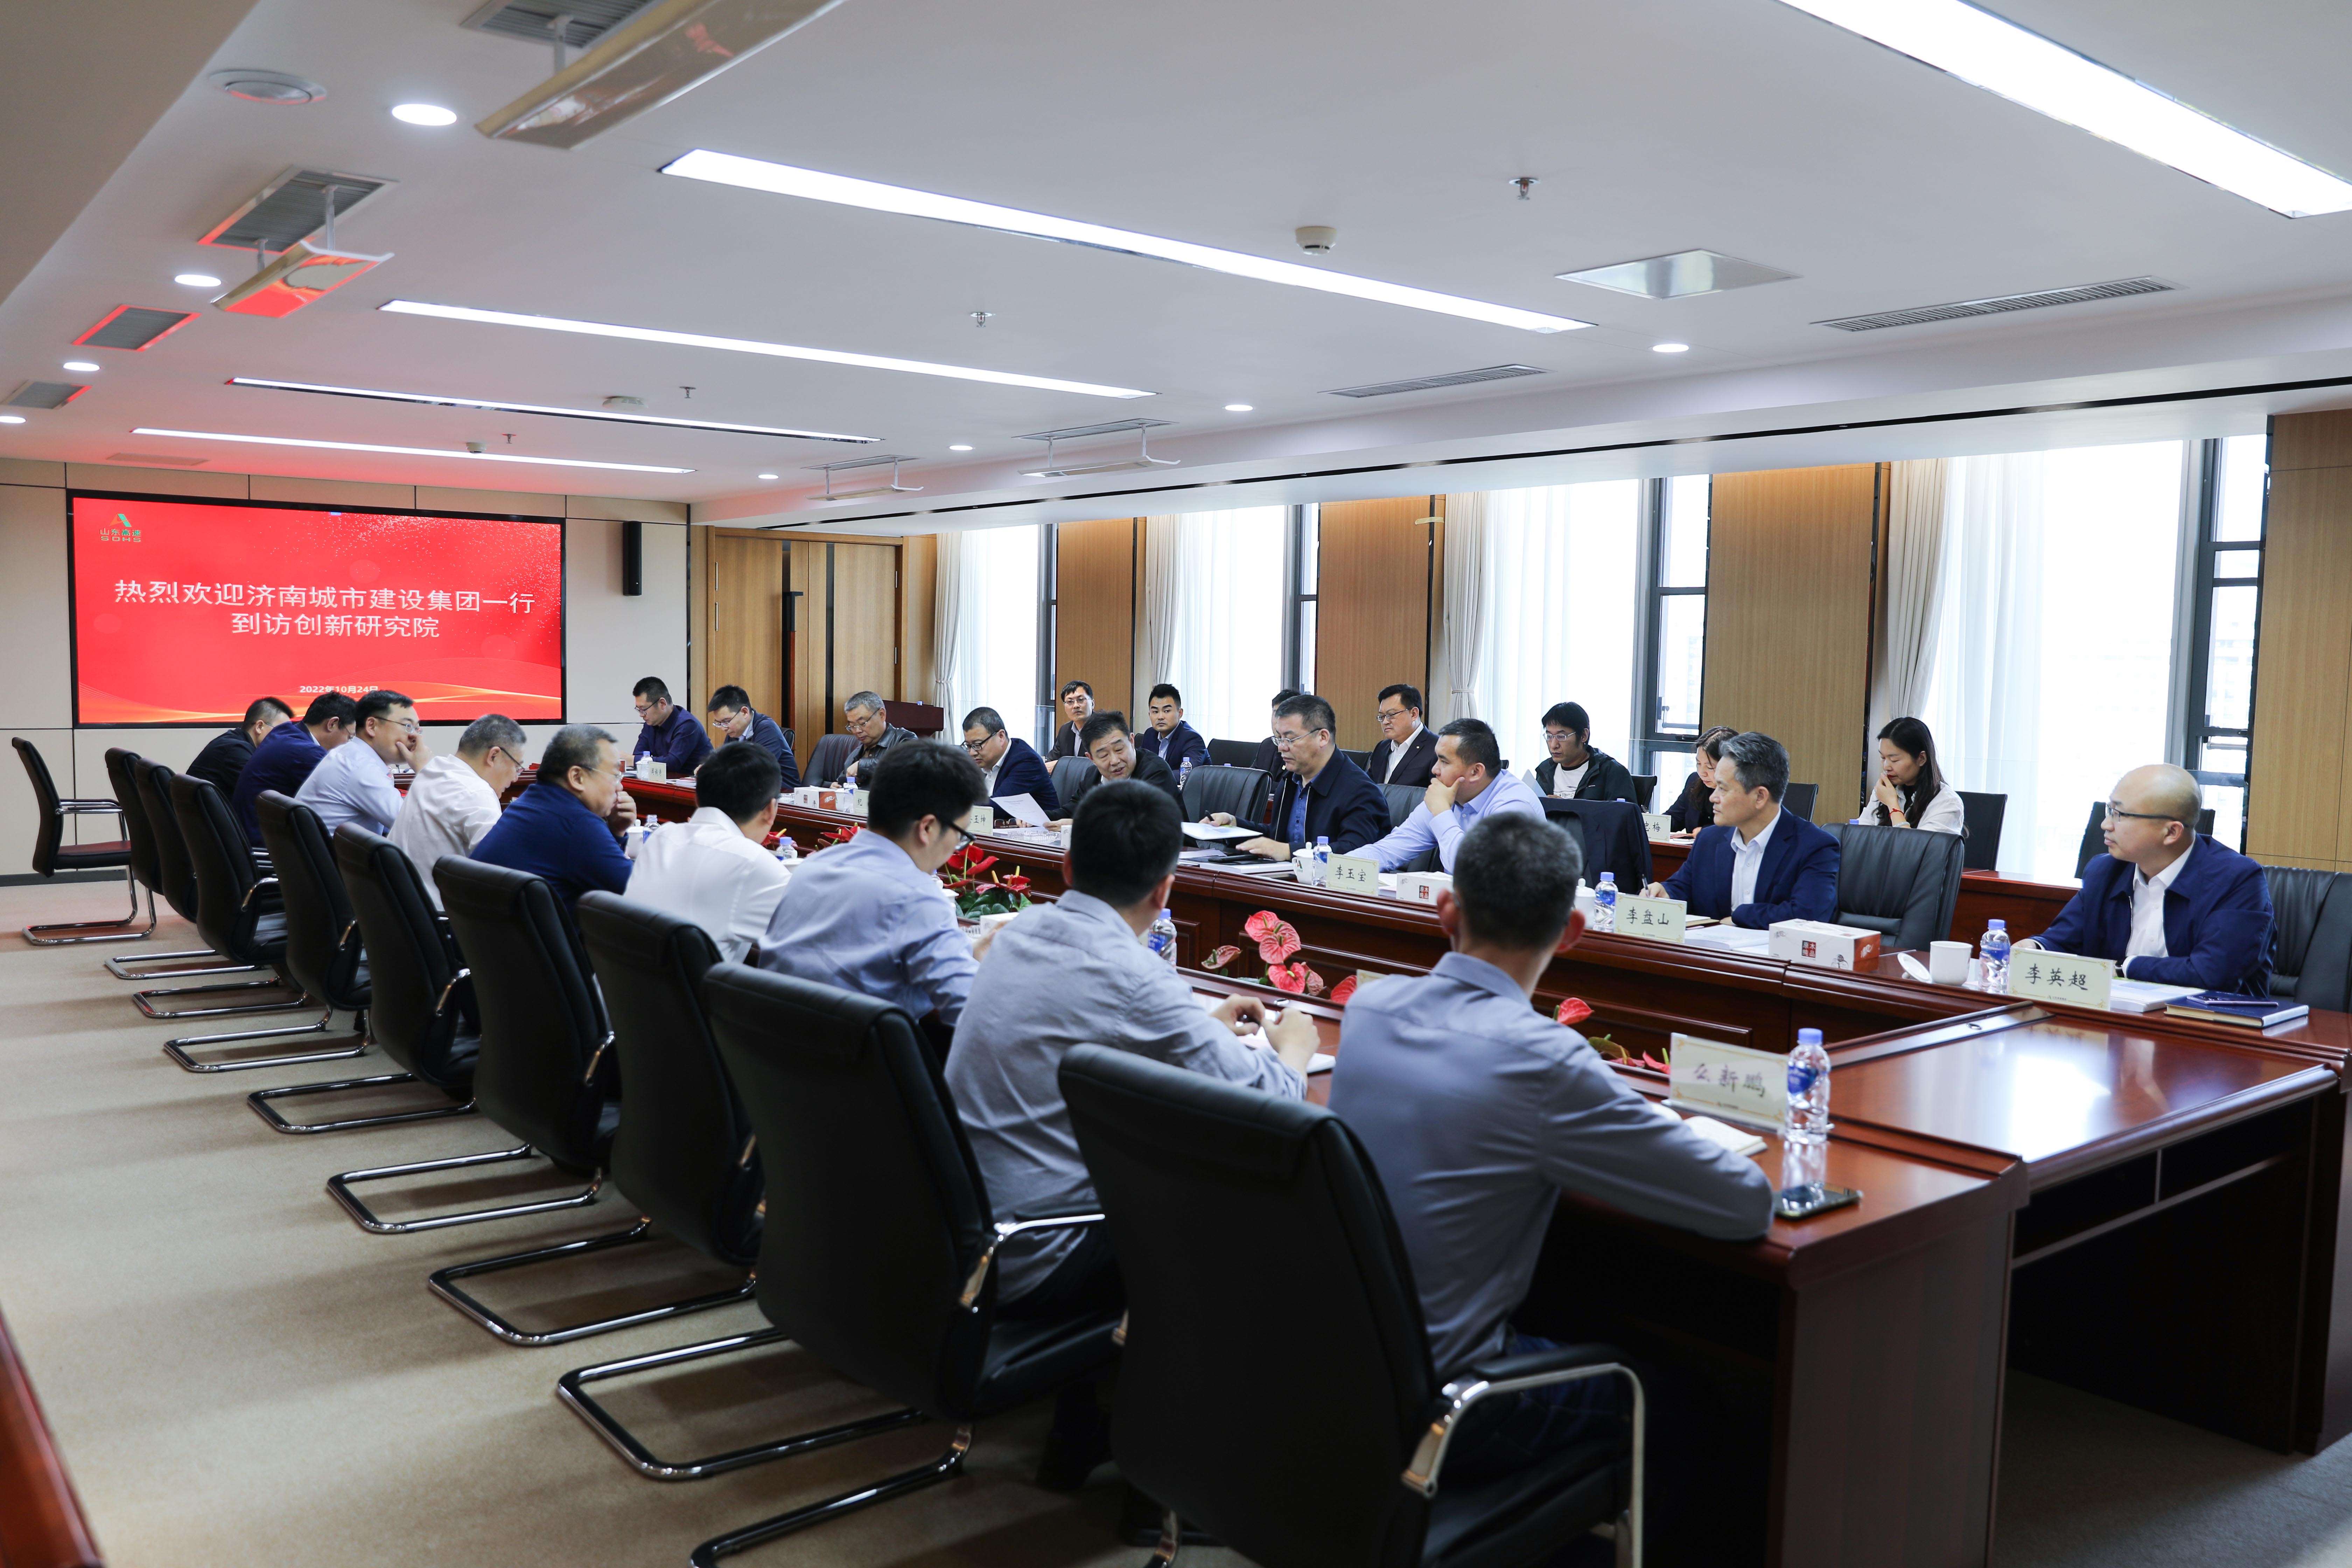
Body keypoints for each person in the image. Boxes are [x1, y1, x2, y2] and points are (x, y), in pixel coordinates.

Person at [1330, 812, 1773, 1485]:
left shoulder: (1370, 1010)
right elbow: (1744, 1204)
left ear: (1446, 910)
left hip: (1337, 1367)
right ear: (1572, 931)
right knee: (1689, 1406)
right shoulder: (1545, 1060)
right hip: (1448, 1404)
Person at [947, 779, 1317, 1486]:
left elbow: (1098, 1030)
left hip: (960, 1227)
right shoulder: (1133, 974)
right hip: (1037, 1250)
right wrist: (1295, 1047)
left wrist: (1195, 1030)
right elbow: (1270, 1101)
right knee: (1236, 1215)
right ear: (1165, 889)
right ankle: (1167, 1456)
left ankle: (1084, 1422)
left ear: (1066, 867)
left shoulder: (1018, 933)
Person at [759, 741, 988, 1027]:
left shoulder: (813, 869)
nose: (957, 847)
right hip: (857, 1053)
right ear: (928, 828)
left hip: (774, 1047)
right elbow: (976, 1015)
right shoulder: (916, 898)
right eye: (960, 835)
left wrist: (965, 953)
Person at [2020, 764, 2274, 993]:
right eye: (2110, 810)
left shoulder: (2237, 880)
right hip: (2118, 1016)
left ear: (2171, 832)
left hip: (2207, 1022)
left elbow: (2212, 974)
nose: (2106, 825)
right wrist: (2033, 948)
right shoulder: (2104, 871)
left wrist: (2125, 967)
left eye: (2119, 814)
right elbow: (2063, 940)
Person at [1643, 731, 1839, 928]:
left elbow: (1808, 914)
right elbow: (1684, 887)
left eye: (1723, 789)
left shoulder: (1814, 846)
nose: (1713, 797)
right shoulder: (1709, 840)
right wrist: (1666, 892)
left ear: (1760, 797)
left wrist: (1740, 916)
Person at [624, 741, 792, 963]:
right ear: (771, 810)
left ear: (697, 799)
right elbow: (814, 938)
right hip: (692, 986)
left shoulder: (661, 839)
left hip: (615, 984)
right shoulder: (753, 863)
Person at [470, 724, 638, 909]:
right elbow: (639, 894)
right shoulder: (578, 824)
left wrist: (616, 832)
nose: (620, 787)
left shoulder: (527, 803)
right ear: (577, 777)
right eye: (615, 776)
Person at [1366, 719, 1545, 873]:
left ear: (1476, 772)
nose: (1435, 769)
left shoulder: (1515, 806)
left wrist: (1442, 813)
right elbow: (1387, 851)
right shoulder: (1448, 795)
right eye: (1437, 759)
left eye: (1444, 762)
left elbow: (1473, 872)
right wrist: (1348, 867)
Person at [390, 713, 525, 908]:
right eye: (517, 767)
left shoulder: (433, 770)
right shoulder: (477, 793)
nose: (515, 778)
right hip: (441, 917)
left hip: (403, 907)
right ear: (494, 756)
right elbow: (505, 874)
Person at [1237, 694, 1391, 859]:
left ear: (1323, 738)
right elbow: (1278, 838)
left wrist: (1290, 851)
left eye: (1290, 739)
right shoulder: (1290, 782)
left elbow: (1356, 850)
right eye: (1279, 739)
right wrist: (1234, 827)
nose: (1282, 748)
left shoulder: (1360, 791)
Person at [231, 692, 358, 846]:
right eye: (350, 737)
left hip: (253, 837)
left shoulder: (286, 733)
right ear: (332, 724)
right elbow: (353, 793)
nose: (349, 744)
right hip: (266, 847)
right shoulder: (305, 752)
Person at [295, 689, 424, 837]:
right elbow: (417, 826)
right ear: (372, 726)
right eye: (408, 726)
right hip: (338, 853)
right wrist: (424, 769)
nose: (415, 737)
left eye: (417, 729)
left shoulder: (353, 755)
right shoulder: (361, 767)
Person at [1054, 712, 1182, 819]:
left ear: (1132, 742)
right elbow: (1070, 812)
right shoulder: (1093, 776)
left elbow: (1140, 823)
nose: (1115, 761)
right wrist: (1042, 820)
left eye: (1119, 749)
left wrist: (1081, 825)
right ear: (1092, 759)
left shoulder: (1157, 772)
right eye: (1104, 755)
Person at [1854, 716, 1962, 834]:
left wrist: (1892, 804)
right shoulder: (1884, 790)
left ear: (1921, 759)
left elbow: (1914, 845)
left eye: (1894, 760)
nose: (1886, 767)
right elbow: (1860, 834)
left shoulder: (1948, 803)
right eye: (1883, 758)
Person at [1528, 702, 1639, 803]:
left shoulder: (1612, 772)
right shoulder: (1545, 770)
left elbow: (1623, 816)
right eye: (1549, 736)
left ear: (1583, 736)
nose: (1554, 745)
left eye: (1561, 737)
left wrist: (1567, 808)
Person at [961, 706, 1059, 818]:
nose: (972, 753)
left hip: (1041, 828)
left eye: (978, 745)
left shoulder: (1026, 761)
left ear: (1001, 737)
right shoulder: (982, 761)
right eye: (969, 746)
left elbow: (997, 808)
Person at [187, 698, 292, 796]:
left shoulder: (235, 741)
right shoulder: (236, 751)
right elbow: (268, 795)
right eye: (282, 731)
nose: (287, 738)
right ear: (259, 727)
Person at [705, 684, 801, 790]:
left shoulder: (767, 729)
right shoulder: (735, 732)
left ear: (745, 712)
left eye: (726, 722)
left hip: (784, 794)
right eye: (719, 723)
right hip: (752, 792)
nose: (724, 728)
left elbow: (757, 772)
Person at [630, 677, 713, 777]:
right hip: (666, 783)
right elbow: (639, 754)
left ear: (662, 704)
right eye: (639, 710)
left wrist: (633, 760)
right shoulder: (651, 724)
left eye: (644, 709)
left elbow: (673, 763)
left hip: (696, 783)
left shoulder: (687, 724)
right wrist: (635, 760)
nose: (641, 715)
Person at [1666, 726, 1738, 835]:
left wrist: (1706, 832)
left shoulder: (1742, 791)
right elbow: (1674, 818)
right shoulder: (1694, 781)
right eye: (1698, 764)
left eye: (1710, 767)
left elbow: (1739, 828)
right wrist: (1650, 824)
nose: (1702, 773)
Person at [1245, 687, 1301, 824]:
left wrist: (1263, 785)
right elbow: (1250, 779)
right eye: (1276, 714)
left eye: (1284, 715)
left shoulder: (1300, 749)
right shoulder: (1267, 745)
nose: (1278, 721)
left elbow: (1292, 787)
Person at [1365, 683, 1438, 788]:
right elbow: (1368, 787)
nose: (1385, 722)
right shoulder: (1382, 748)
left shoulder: (1437, 749)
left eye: (1391, 715)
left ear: (1414, 714)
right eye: (1382, 716)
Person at [835, 690, 914, 785]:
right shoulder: (857, 751)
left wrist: (862, 766)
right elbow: (845, 776)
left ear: (882, 715)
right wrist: (838, 785)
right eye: (852, 726)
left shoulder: (905, 738)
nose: (857, 731)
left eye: (863, 724)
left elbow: (904, 767)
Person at [1135, 684, 1208, 774]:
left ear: (1180, 713)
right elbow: (1139, 766)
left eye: (1167, 711)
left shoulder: (1192, 739)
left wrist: (1152, 777)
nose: (1160, 717)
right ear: (1149, 714)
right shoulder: (1150, 735)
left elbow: (1186, 775)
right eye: (1155, 712)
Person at [1048, 680, 1095, 761]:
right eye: (1070, 702)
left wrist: (1062, 764)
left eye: (1081, 700)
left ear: (1093, 704)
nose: (1076, 706)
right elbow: (1052, 759)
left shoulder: (1104, 728)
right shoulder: (1065, 730)